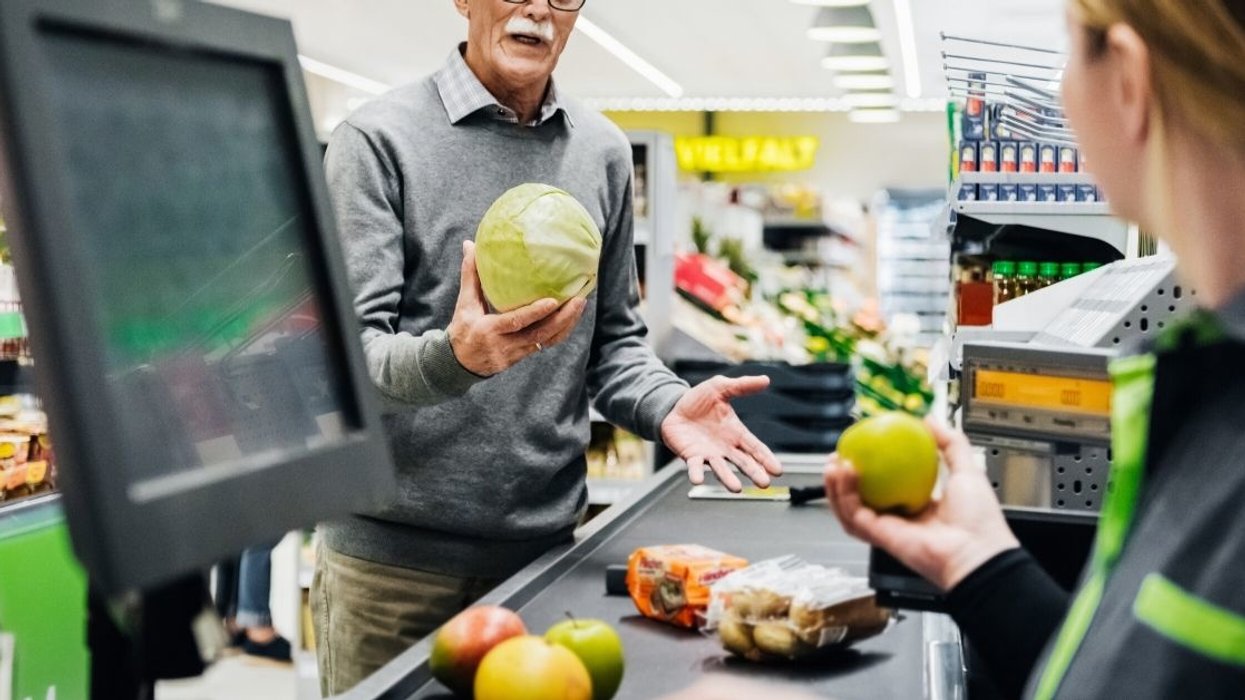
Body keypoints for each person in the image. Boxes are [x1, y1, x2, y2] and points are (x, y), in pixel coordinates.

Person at [311, 0, 783, 694]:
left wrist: (667, 404)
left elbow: (614, 343)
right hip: (393, 571)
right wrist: (455, 359)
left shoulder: (602, 152)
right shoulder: (377, 140)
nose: (538, 6)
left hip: (543, 559)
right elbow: (346, 362)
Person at [823, 1, 1245, 698]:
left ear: (1129, 81)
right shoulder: (1208, 388)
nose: (1059, 97)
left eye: (1068, 55)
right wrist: (977, 561)